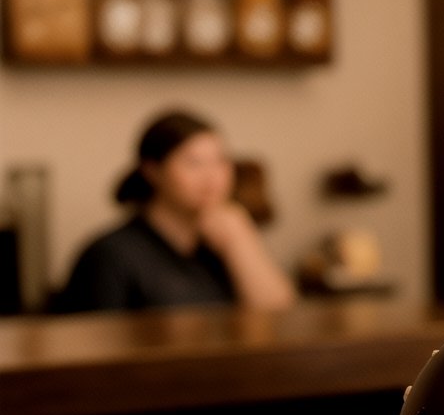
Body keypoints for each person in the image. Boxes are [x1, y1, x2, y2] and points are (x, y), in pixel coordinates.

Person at [55, 110, 295, 313]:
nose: (211, 176)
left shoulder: (224, 244)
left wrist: (241, 241)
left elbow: (278, 319)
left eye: (220, 161)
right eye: (194, 163)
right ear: (152, 171)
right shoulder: (110, 255)